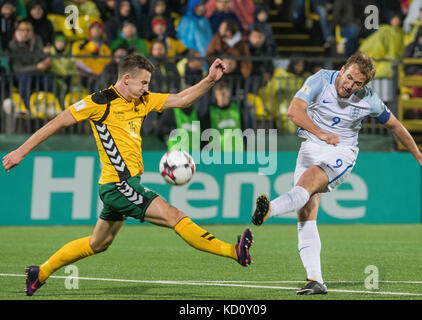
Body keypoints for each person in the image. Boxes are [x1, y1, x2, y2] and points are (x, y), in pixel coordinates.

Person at [2, 53, 253, 297]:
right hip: (117, 185)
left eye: (148, 84)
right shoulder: (99, 102)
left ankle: (40, 272)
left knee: (97, 244)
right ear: (126, 80)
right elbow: (56, 122)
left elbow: (182, 99)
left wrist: (210, 80)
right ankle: (233, 251)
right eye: (143, 83)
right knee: (173, 215)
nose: (146, 88)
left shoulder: (142, 101)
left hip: (123, 185)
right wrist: (20, 152)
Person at [250, 52, 422, 295]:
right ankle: (315, 280)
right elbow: (294, 112)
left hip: (341, 150)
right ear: (342, 70)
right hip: (312, 144)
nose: (349, 86)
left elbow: (395, 126)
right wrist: (321, 134)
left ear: (364, 85)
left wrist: (419, 155)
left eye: (357, 83)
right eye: (349, 78)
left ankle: (270, 210)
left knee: (307, 184)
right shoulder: (321, 79)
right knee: (305, 211)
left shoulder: (369, 99)